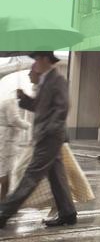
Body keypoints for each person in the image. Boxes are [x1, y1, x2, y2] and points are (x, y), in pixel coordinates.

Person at [0, 51, 77, 229]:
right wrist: (25, 99)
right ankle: (67, 212)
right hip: (48, 135)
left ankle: (4, 213)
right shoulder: (45, 80)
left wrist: (47, 130)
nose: (34, 64)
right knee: (56, 175)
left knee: (31, 175)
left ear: (45, 59)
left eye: (35, 60)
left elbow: (63, 108)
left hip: (49, 136)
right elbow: (40, 107)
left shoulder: (57, 80)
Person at [0, 97, 30, 200]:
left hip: (5, 138)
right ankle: (3, 201)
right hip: (6, 140)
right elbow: (14, 119)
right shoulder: (10, 99)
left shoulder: (4, 98)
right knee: (5, 172)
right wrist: (28, 126)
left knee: (5, 170)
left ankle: (4, 201)